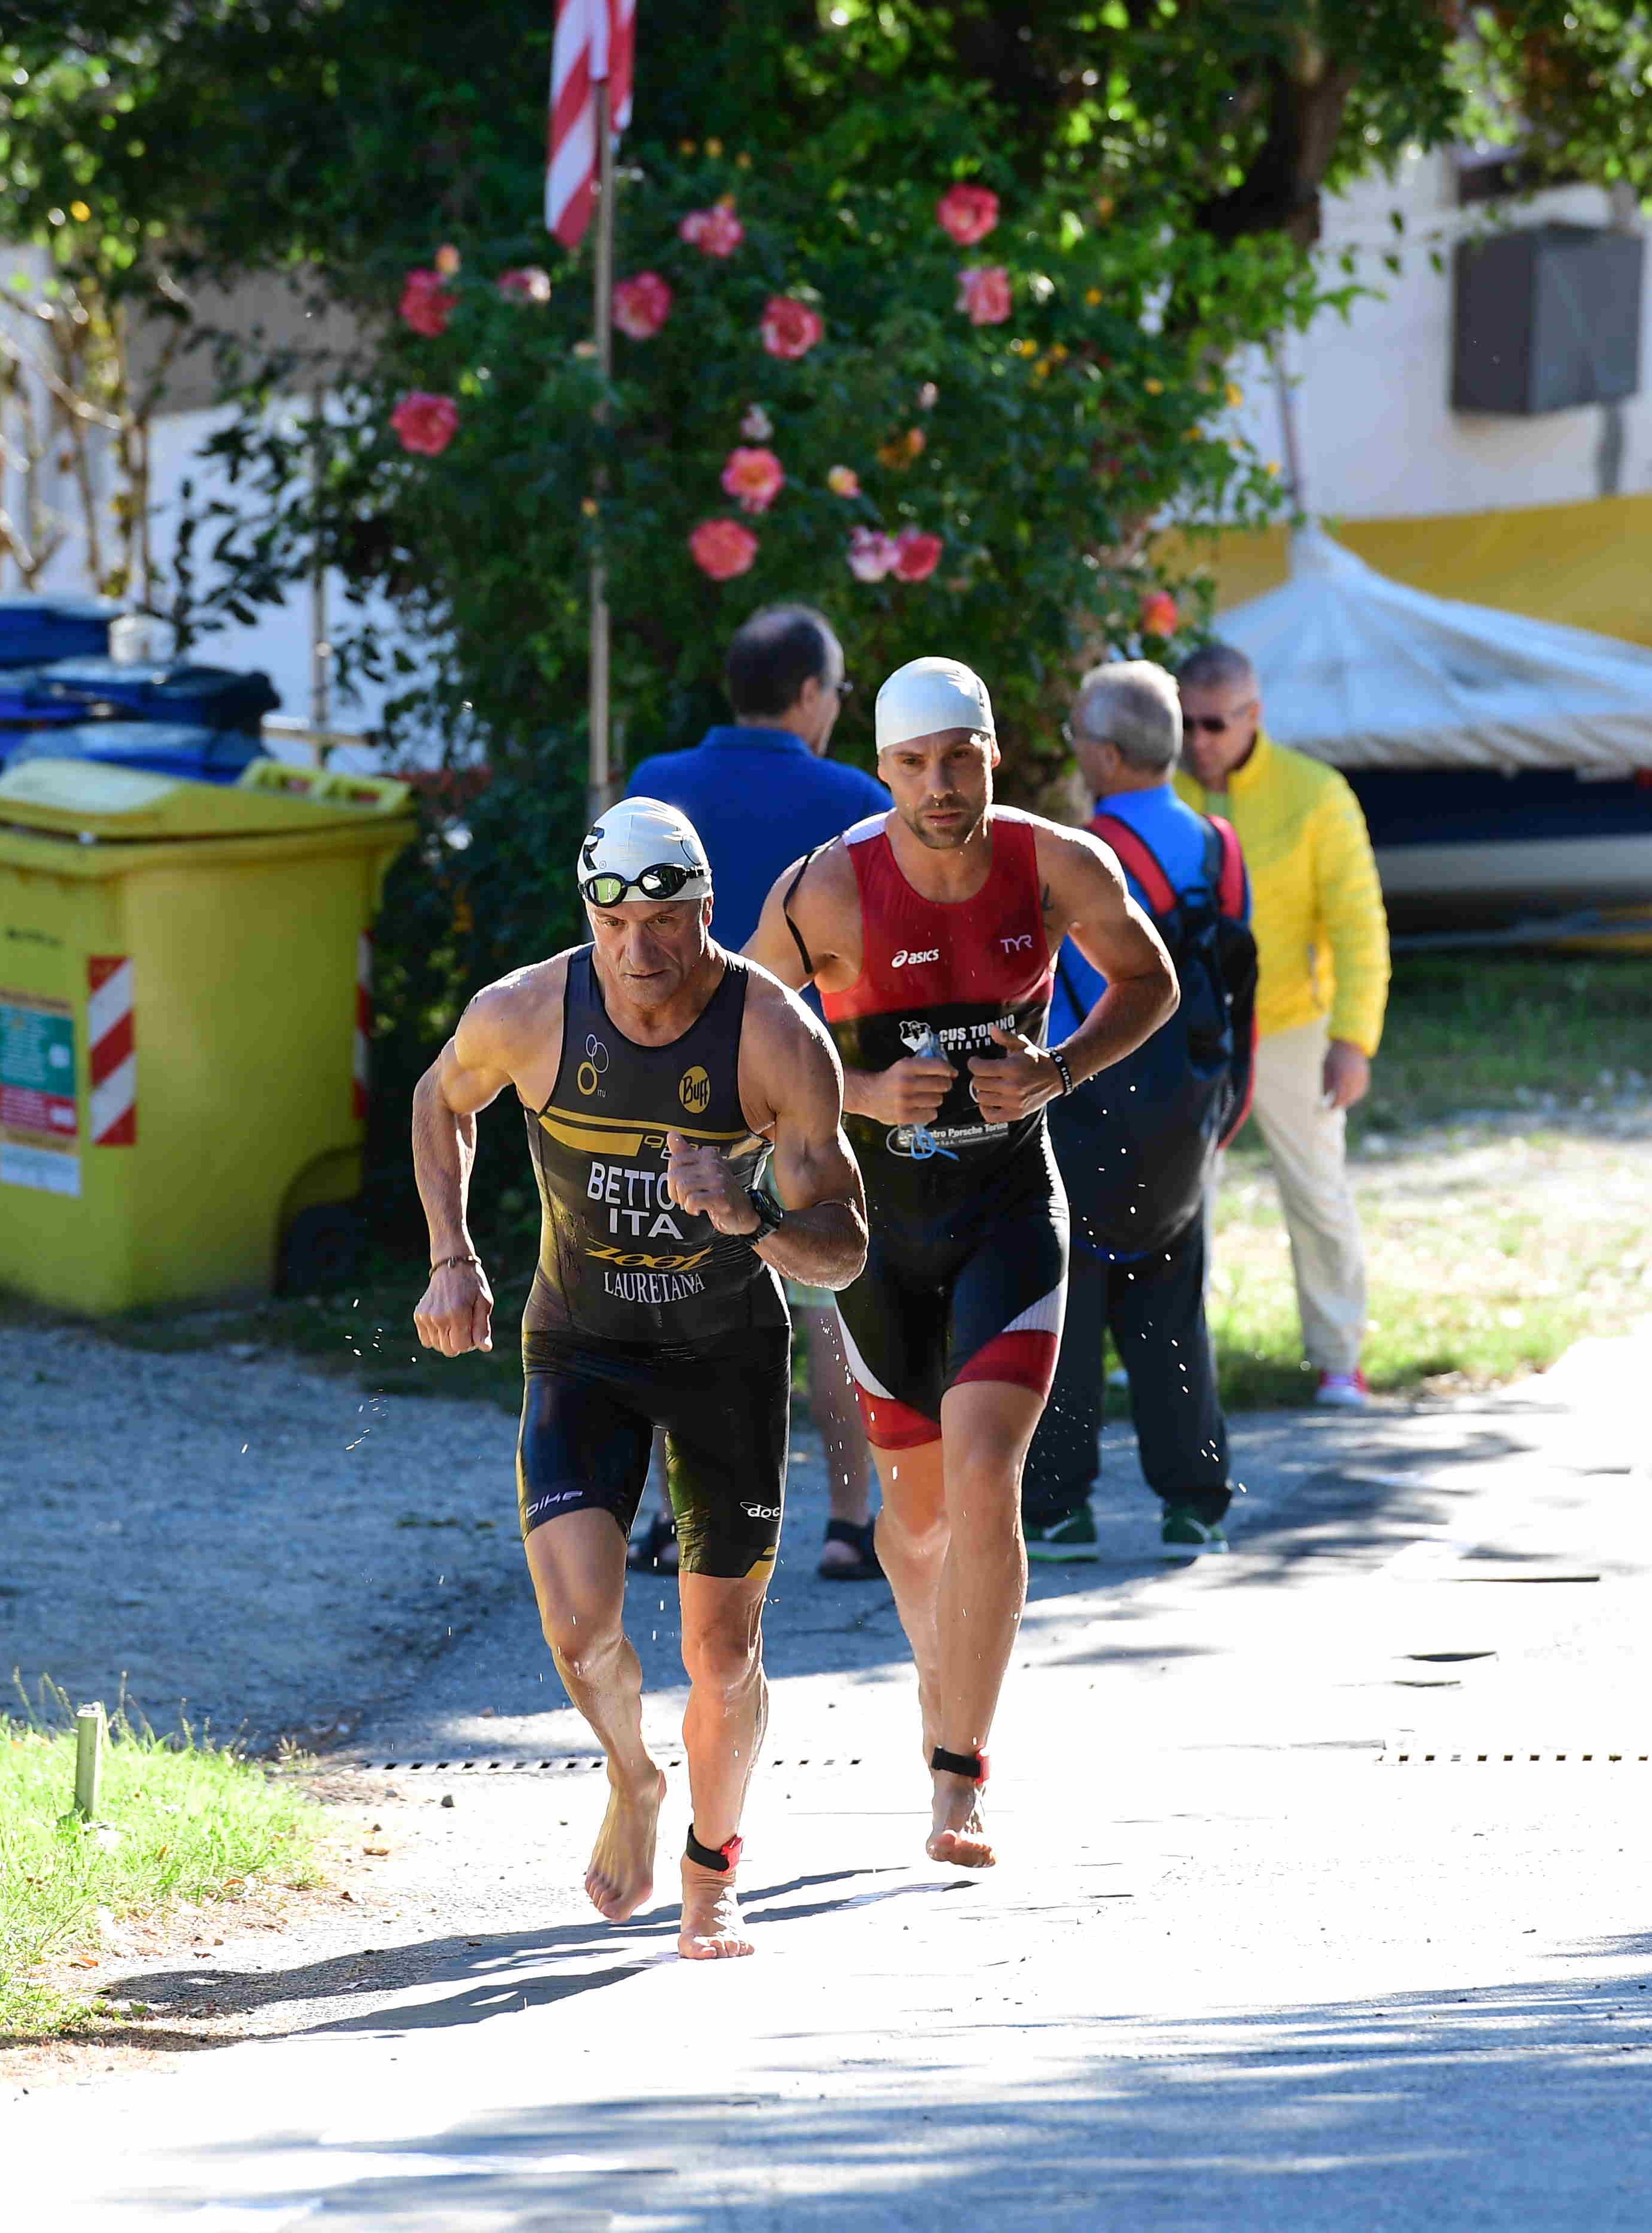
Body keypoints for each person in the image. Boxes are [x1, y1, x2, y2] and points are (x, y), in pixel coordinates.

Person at [410, 798, 869, 1959]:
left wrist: (749, 1214)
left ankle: (714, 1874)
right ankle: (631, 1773)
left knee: (720, 1650)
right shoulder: (524, 1012)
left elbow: (845, 1242)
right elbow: (438, 1097)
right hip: (583, 1345)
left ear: (707, 913)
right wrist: (452, 1258)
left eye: (664, 921)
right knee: (578, 1628)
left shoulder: (773, 1037)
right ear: (587, 917)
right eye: (612, 923)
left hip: (723, 1354)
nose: (636, 951)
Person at [746, 657, 1176, 1868]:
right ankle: (944, 1676)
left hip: (1004, 1211)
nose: (941, 785)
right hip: (878, 1237)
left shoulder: (1057, 863)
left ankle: (958, 1778)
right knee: (918, 1525)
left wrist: (1063, 1066)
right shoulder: (827, 889)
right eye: (915, 764)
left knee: (986, 1473)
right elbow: (733, 1034)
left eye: (961, 758)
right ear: (882, 773)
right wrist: (858, 1088)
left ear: (996, 753)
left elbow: (1151, 978)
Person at [623, 605, 893, 1582]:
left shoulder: (655, 787)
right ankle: (849, 1520)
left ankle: (670, 1520)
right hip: (795, 1078)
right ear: (812, 694)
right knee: (822, 1296)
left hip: (666, 1077)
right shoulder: (855, 799)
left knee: (674, 1300)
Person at [1021, 662, 1256, 1562]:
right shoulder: (1220, 847)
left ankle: (1058, 1511)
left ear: (1108, 754)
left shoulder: (1076, 857)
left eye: (1080, 731)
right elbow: (1241, 994)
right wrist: (1221, 1115)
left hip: (1082, 1109)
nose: (1074, 745)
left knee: (1067, 1315)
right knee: (1172, 1307)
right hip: (1190, 1112)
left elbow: (1042, 994)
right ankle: (1195, 1505)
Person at [1172, 642, 1389, 1408]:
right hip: (1189, 1026)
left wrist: (1353, 1039)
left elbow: (1360, 924)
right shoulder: (1157, 787)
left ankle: (1338, 1359)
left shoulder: (1316, 792)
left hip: (1295, 1022)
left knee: (1317, 1191)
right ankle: (1169, 1359)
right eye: (1184, 722)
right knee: (1177, 1196)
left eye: (1214, 724)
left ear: (1254, 716)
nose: (1198, 741)